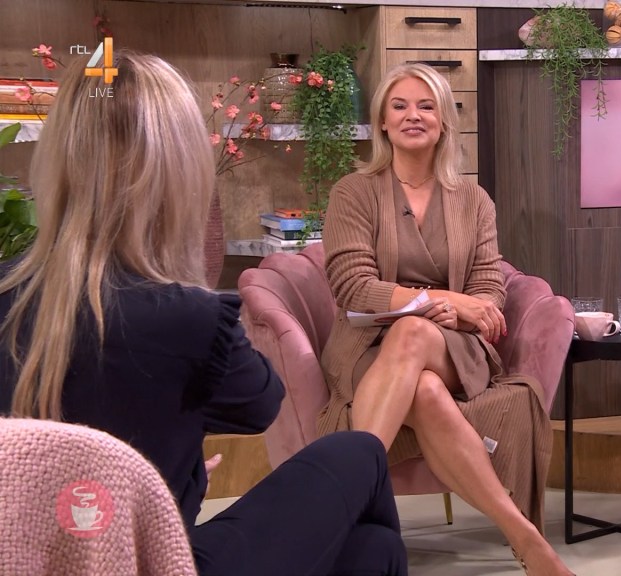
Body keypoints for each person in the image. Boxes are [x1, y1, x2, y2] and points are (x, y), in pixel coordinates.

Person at [0, 51, 407, 576]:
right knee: (360, 453)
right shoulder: (188, 319)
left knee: (374, 551)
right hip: (158, 563)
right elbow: (260, 404)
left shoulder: (9, 294)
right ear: (176, 172)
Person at [319, 62, 573, 576]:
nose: (412, 115)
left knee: (415, 333)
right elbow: (353, 286)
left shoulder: (473, 200)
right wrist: (434, 299)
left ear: (443, 123)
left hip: (453, 343)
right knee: (426, 389)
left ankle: (345, 505)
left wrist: (447, 311)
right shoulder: (353, 192)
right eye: (399, 106)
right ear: (382, 122)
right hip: (368, 345)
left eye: (426, 106)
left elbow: (488, 291)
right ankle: (526, 539)